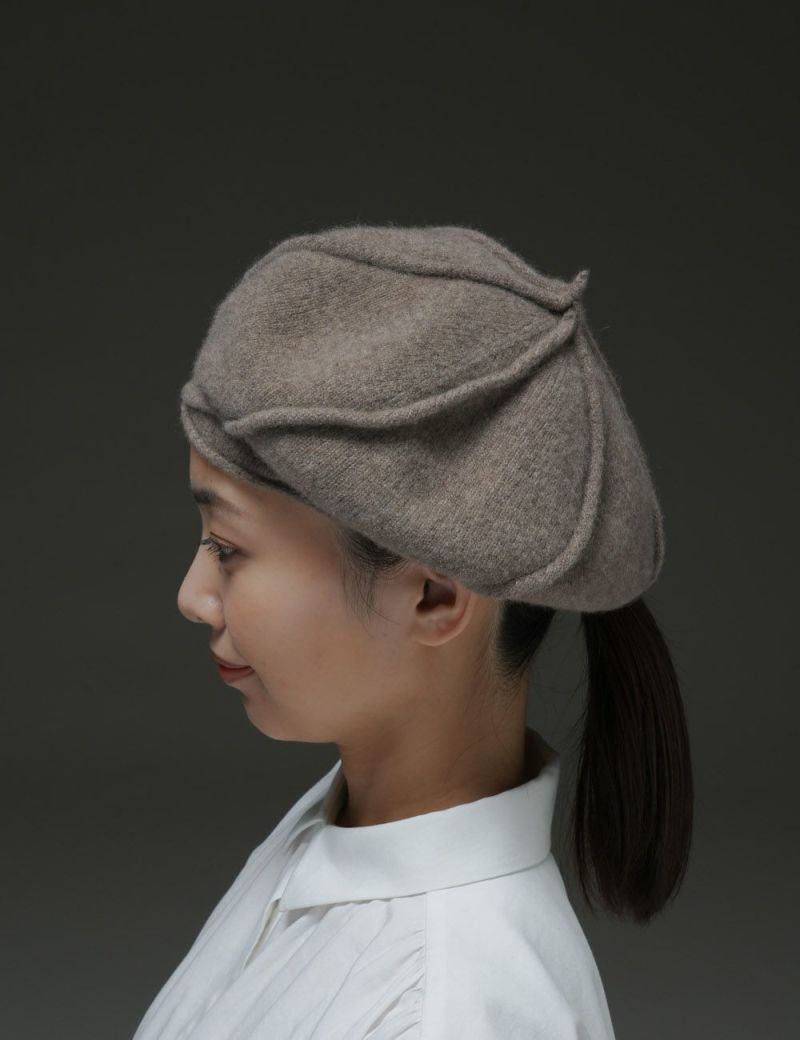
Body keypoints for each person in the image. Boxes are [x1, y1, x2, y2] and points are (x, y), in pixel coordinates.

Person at [132, 223, 693, 1039]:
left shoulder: (438, 1010)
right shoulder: (339, 836)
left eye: (228, 548)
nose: (193, 596)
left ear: (434, 596)